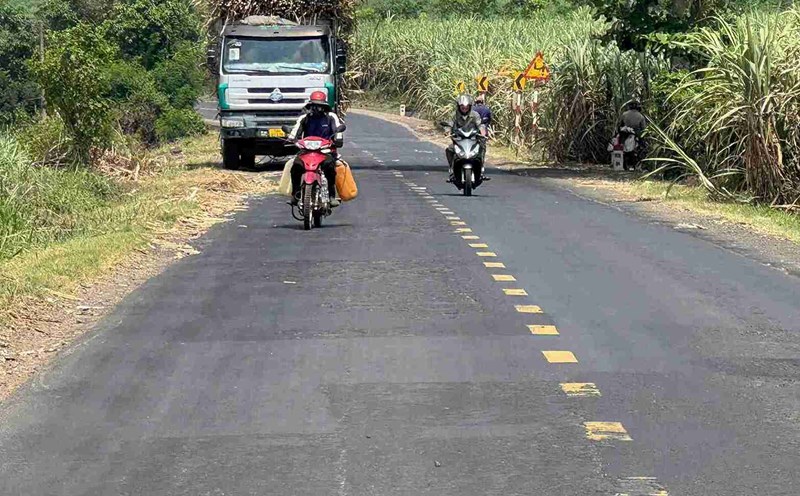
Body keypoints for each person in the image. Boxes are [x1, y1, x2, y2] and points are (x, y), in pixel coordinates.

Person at [288, 91, 343, 206]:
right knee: (296, 167)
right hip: (306, 151)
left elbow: (338, 130)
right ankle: (296, 194)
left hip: (325, 151)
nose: (317, 108)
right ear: (310, 106)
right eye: (314, 105)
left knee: (330, 167)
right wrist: (292, 139)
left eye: (320, 106)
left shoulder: (331, 117)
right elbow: (295, 133)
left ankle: (332, 195)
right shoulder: (304, 118)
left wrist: (338, 139)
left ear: (324, 106)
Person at [445, 94, 487, 182]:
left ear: (470, 107)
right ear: (458, 106)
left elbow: (480, 125)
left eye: (466, 107)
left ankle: (481, 169)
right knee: (449, 149)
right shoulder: (454, 115)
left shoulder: (475, 115)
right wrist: (447, 131)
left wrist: (483, 133)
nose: (464, 109)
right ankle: (452, 170)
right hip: (459, 139)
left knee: (482, 147)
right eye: (462, 107)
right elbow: (449, 125)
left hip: (473, 139)